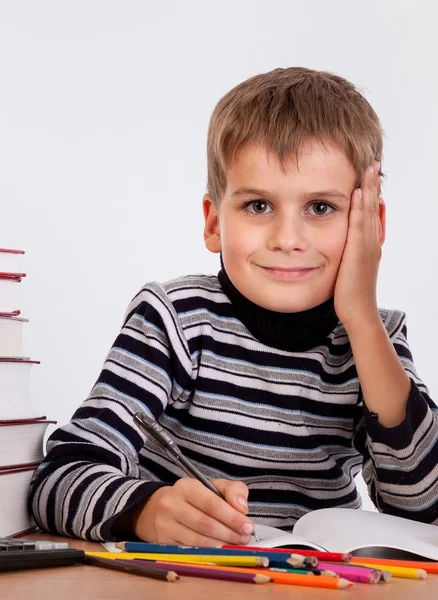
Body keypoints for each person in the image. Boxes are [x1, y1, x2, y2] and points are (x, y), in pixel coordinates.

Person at [30, 67, 438, 545]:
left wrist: (363, 320)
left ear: (372, 223)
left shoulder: (377, 338)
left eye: (320, 208)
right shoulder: (173, 318)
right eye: (259, 206)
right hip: (182, 580)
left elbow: (424, 512)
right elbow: (57, 479)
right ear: (214, 222)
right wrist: (145, 510)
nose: (288, 239)